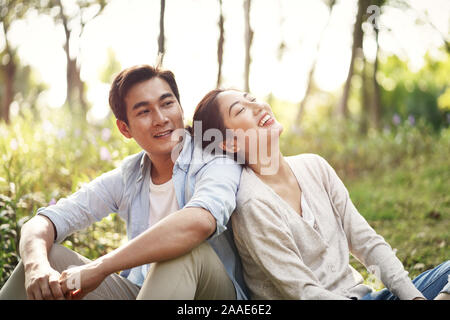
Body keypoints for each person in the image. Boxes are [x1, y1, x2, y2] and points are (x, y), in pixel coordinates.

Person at [0, 66, 249, 300]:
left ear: (181, 107)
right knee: (47, 255)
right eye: (144, 111)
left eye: (167, 103)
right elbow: (45, 221)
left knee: (184, 250)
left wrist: (101, 268)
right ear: (124, 128)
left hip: (209, 293)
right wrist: (37, 267)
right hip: (143, 291)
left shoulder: (215, 158)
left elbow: (198, 222)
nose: (161, 118)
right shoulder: (130, 175)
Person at [191, 88, 450, 300]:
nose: (258, 107)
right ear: (229, 142)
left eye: (252, 99)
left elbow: (365, 241)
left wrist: (413, 297)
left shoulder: (314, 165)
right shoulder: (251, 203)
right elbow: (303, 293)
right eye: (241, 110)